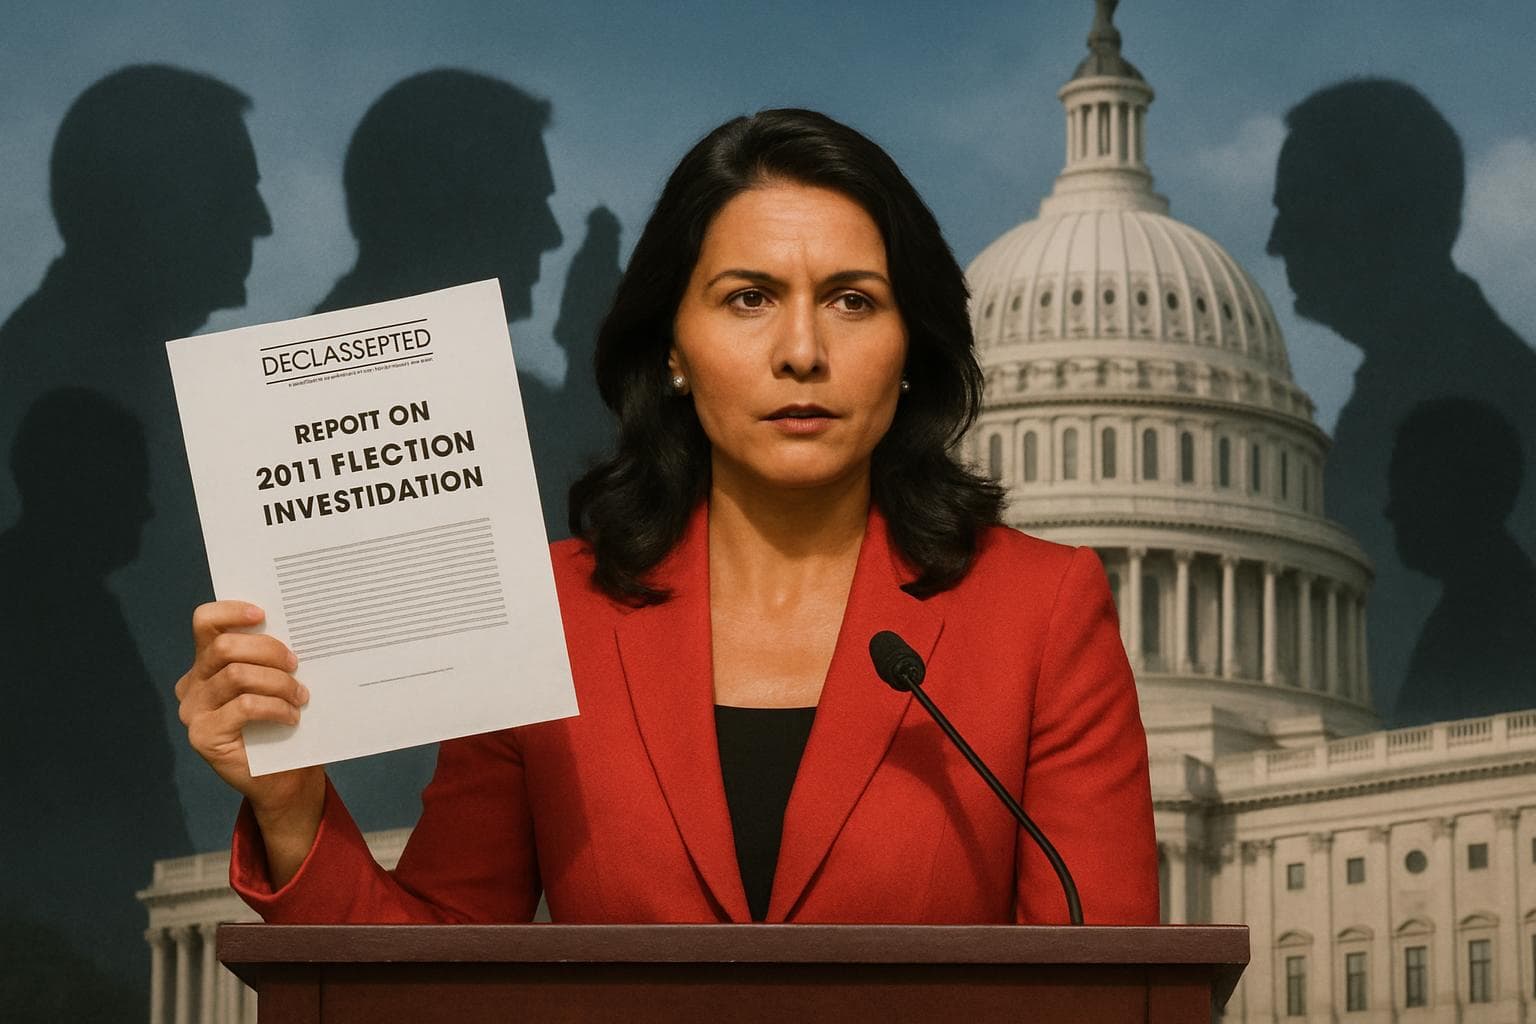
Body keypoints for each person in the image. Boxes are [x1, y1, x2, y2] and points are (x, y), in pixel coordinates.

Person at [176, 109, 1158, 925]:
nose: (802, 351)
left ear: (912, 347)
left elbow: (1103, 982)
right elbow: (433, 983)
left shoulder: (1040, 610)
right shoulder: (551, 613)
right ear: (674, 349)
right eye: (749, 298)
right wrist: (293, 806)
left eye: (853, 301)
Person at [1265, 78, 1536, 723]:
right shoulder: (1416, 380)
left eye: (1299, 208)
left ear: (1389, 215)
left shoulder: (1475, 386)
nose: (1277, 242)